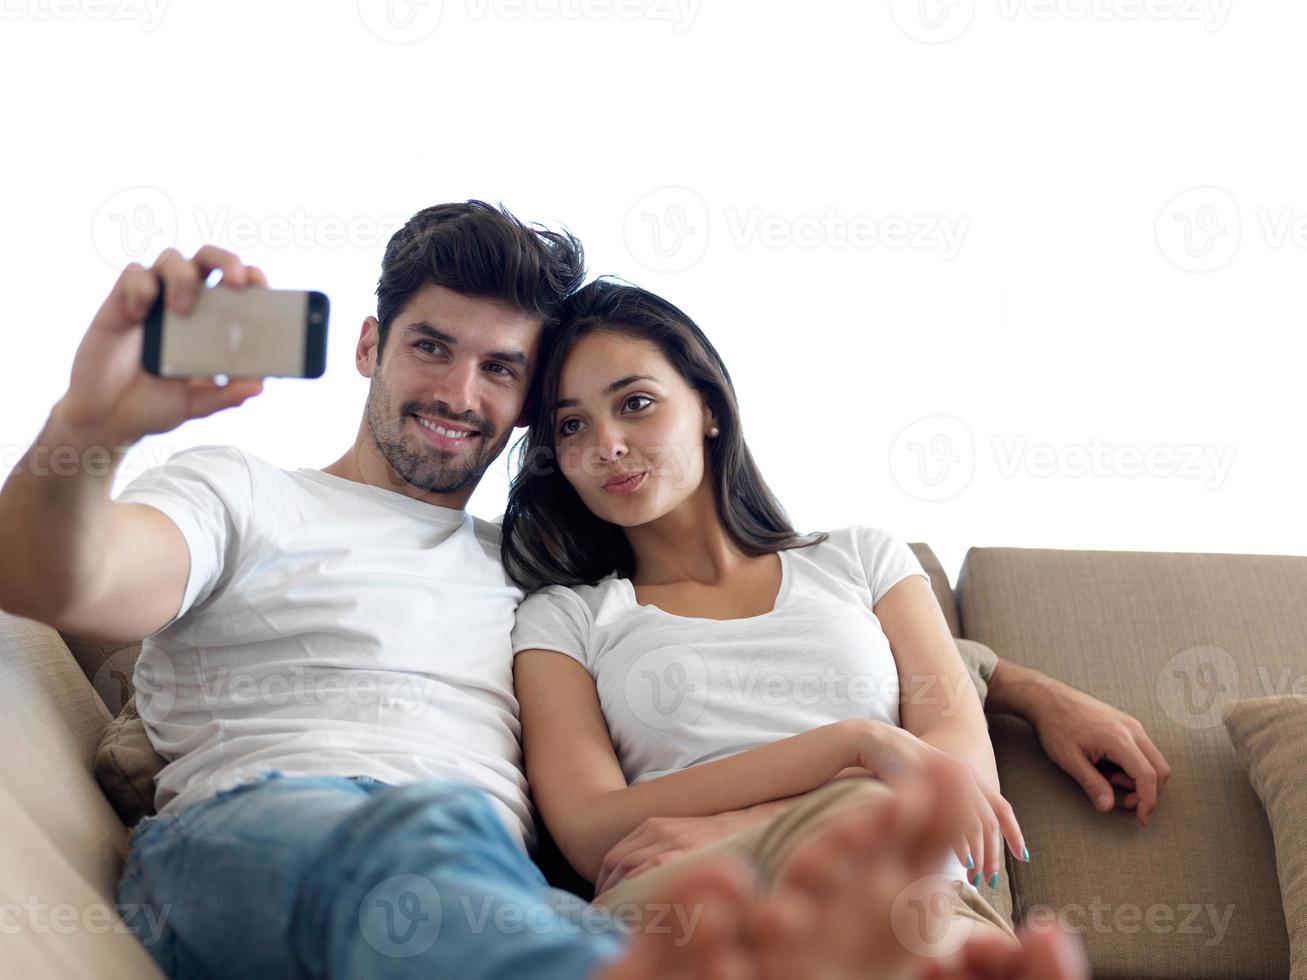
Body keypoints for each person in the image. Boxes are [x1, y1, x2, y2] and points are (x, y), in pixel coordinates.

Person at [0, 201, 1150, 979]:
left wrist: (1019, 686)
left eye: (501, 368)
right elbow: (67, 578)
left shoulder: (528, 571)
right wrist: (87, 433)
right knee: (438, 857)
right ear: (366, 346)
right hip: (266, 828)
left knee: (535, 904)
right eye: (431, 347)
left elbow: (816, 640)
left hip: (497, 888)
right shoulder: (236, 491)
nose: (460, 390)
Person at [501, 277, 1169, 960]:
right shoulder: (563, 618)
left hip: (894, 892)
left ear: (708, 406)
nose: (605, 444)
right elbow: (591, 827)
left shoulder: (861, 559)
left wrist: (746, 822)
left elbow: (960, 777)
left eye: (635, 403)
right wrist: (855, 747)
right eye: (572, 424)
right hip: (690, 902)